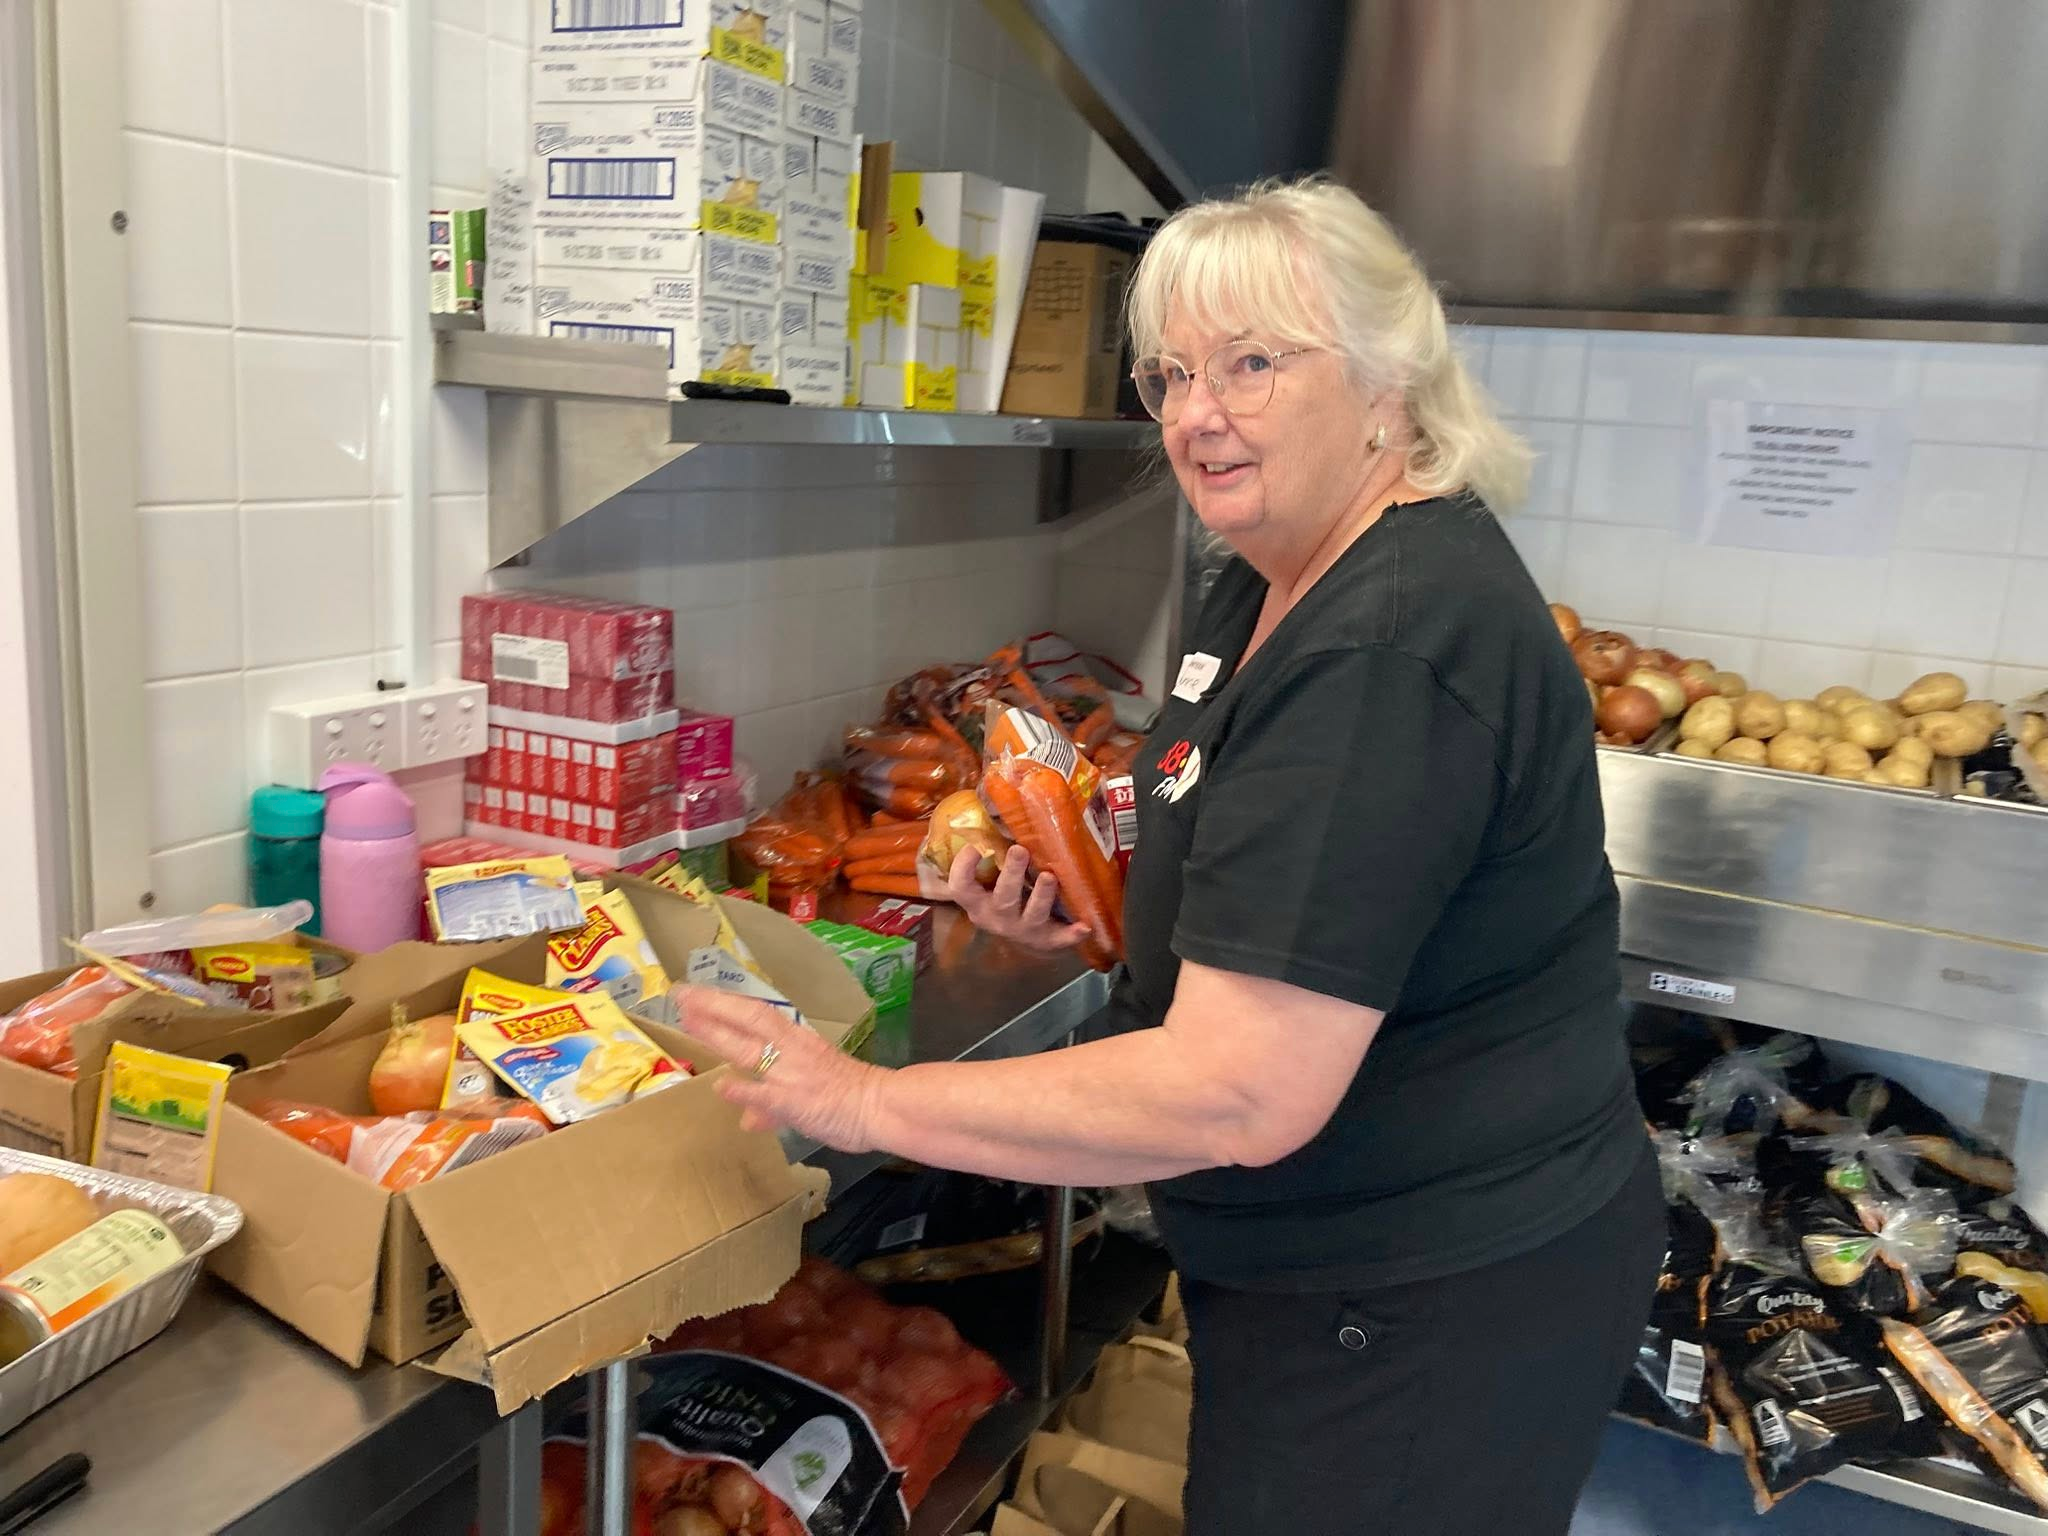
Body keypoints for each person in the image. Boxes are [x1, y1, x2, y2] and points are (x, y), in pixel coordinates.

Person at [684, 177, 1663, 1534]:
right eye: (1171, 374)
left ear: (1387, 383)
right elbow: (1286, 881)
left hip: (1421, 1295)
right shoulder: (1266, 567)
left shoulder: (1384, 647)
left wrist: (863, 1104)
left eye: (1253, 363)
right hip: (1335, 1263)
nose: (1199, 414)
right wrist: (1096, 914)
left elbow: (1240, 1092)